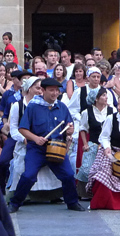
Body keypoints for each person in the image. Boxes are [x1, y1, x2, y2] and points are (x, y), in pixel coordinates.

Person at [8, 78, 84, 213]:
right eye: (52, 90)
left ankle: (72, 202)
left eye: (57, 90)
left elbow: (69, 128)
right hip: (37, 149)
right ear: (42, 90)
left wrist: (70, 130)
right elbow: (22, 129)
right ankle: (15, 203)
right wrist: (36, 139)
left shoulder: (62, 107)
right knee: (28, 175)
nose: (55, 93)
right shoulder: (32, 106)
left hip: (56, 148)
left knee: (68, 175)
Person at [8, 77, 62, 200]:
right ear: (29, 88)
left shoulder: (46, 105)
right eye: (37, 88)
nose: (40, 91)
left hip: (43, 142)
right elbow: (14, 128)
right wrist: (25, 139)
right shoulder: (18, 105)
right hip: (23, 141)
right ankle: (21, 194)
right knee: (16, 162)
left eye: (41, 89)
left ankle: (53, 194)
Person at [76, 87, 115, 198]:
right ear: (96, 99)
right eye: (103, 95)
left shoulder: (112, 111)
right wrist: (85, 144)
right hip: (93, 144)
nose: (106, 97)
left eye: (106, 95)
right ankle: (85, 193)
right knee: (86, 169)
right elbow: (83, 128)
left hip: (108, 146)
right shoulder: (86, 112)